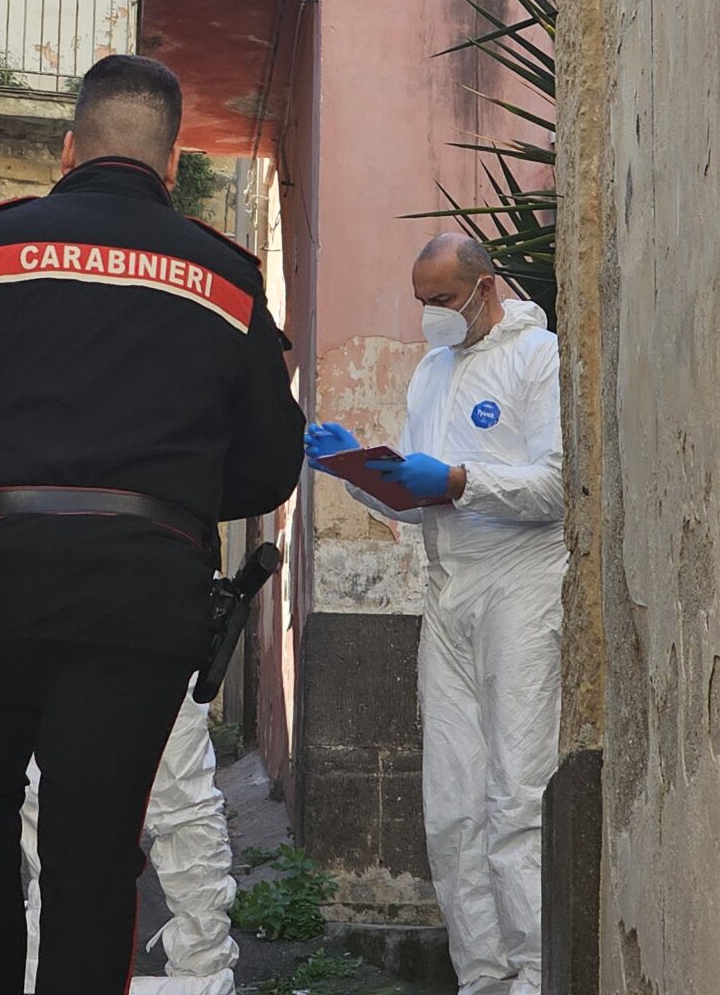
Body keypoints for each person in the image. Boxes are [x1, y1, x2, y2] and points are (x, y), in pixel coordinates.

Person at [0, 54, 305, 995]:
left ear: (69, 148)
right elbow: (266, 465)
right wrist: (169, 497)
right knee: (95, 840)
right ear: (173, 163)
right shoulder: (226, 280)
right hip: (144, 593)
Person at [307, 231, 563, 995]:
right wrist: (360, 473)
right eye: (422, 305)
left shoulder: (538, 358)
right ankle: (481, 978)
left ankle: (537, 976)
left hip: (523, 587)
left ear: (485, 288)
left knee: (517, 795)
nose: (432, 320)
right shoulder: (432, 372)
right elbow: (419, 503)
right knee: (452, 806)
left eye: (444, 302)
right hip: (447, 591)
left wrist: (455, 478)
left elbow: (557, 487)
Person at [22, 682, 239, 995]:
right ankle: (206, 966)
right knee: (185, 803)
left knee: (183, 803)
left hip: (61, 648)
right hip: (158, 647)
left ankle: (206, 966)